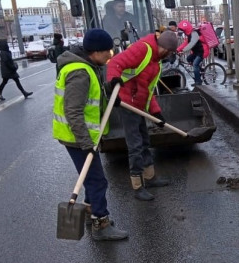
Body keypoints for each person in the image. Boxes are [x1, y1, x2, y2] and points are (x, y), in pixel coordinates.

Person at [52, 29, 129, 241]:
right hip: (77, 137)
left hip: (79, 135)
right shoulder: (80, 73)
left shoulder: (88, 67)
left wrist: (110, 86)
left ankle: (89, 209)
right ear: (95, 52)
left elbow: (91, 96)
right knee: (97, 180)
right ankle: (100, 223)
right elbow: (73, 111)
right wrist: (86, 143)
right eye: (107, 52)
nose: (110, 55)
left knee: (90, 177)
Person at [106, 30, 178, 201]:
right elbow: (114, 63)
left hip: (138, 104)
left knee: (145, 140)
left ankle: (150, 177)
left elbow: (148, 90)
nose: (167, 55)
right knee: (135, 145)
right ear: (163, 47)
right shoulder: (143, 49)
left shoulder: (156, 61)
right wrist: (114, 82)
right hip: (126, 103)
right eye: (167, 52)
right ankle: (137, 186)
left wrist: (156, 112)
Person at [176, 20, 209, 86]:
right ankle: (199, 70)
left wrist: (183, 51)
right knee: (188, 59)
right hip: (196, 52)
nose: (183, 32)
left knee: (195, 64)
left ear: (186, 29)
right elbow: (185, 43)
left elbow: (192, 43)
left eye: (183, 30)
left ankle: (198, 81)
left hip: (202, 51)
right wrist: (177, 50)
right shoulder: (189, 35)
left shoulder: (194, 33)